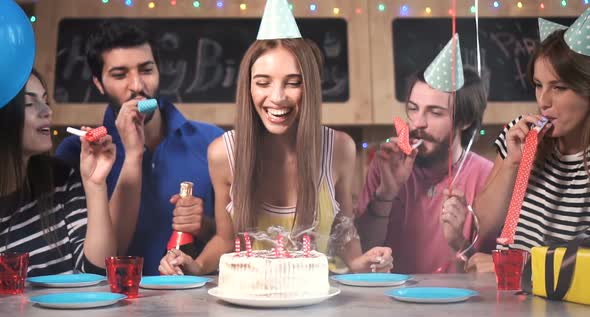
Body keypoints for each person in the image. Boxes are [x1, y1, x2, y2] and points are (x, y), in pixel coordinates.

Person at [159, 0, 393, 275]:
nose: (278, 97)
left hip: (323, 299)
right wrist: (194, 266)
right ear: (248, 87)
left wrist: (361, 263)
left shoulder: (339, 148)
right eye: (263, 82)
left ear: (310, 89)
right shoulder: (223, 154)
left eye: (293, 82)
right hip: (253, 300)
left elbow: (343, 232)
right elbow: (225, 240)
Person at [56, 20, 224, 275]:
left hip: (197, 305)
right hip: (113, 307)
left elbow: (238, 238)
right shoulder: (78, 154)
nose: (136, 86)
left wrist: (204, 226)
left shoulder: (212, 141)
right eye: (120, 75)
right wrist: (132, 154)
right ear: (98, 83)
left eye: (146, 70)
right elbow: (93, 264)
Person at [355, 35, 495, 274]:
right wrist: (385, 194)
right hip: (392, 300)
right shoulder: (386, 166)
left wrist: (458, 241)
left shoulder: (488, 176)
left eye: (435, 113)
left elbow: (492, 273)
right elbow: (363, 253)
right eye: (413, 109)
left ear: (465, 120)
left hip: (462, 305)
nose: (418, 123)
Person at [469, 15, 590, 272]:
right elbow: (481, 229)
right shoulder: (521, 137)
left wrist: (518, 265)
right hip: (507, 302)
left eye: (558, 87)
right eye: (538, 85)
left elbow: (583, 266)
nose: (543, 101)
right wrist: (514, 163)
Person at [0, 69, 117, 276]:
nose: (47, 111)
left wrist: (95, 185)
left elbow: (96, 274)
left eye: (45, 100)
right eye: (29, 103)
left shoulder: (62, 178)